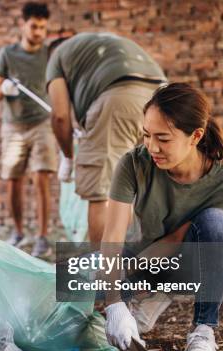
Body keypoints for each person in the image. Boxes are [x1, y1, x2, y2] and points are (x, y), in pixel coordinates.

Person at [100, 83, 223, 351]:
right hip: (142, 253)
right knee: (77, 285)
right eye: (146, 135)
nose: (152, 147)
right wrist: (114, 303)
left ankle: (203, 332)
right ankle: (140, 303)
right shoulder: (133, 163)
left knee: (216, 223)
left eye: (163, 138)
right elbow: (112, 237)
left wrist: (131, 281)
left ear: (195, 136)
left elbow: (179, 240)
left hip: (185, 260)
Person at [47, 32, 167, 244]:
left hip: (119, 99)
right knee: (130, 188)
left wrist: (67, 156)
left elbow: (60, 116)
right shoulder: (99, 44)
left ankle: (104, 273)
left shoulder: (56, 56)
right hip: (163, 98)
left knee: (101, 194)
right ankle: (130, 265)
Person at [0, 2, 58, 257]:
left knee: (42, 178)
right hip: (14, 127)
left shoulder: (50, 54)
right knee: (13, 181)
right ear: (23, 24)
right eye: (34, 26)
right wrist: (4, 88)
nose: (39, 32)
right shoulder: (8, 54)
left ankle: (42, 236)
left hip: (42, 123)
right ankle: (18, 232)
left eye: (42, 27)